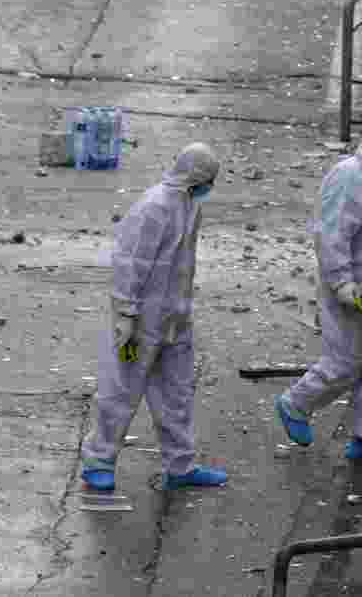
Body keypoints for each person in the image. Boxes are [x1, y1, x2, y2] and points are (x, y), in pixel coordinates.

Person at [80, 143, 228, 491]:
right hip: (142, 320)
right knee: (121, 390)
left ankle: (181, 465)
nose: (210, 186)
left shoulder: (189, 205)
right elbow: (130, 262)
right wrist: (125, 312)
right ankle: (98, 460)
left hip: (174, 318)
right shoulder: (155, 207)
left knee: (176, 394)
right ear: (195, 176)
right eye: (208, 179)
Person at [275, 118, 362, 461]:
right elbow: (331, 234)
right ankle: (297, 402)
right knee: (346, 362)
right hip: (351, 287)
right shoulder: (350, 175)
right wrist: (341, 282)